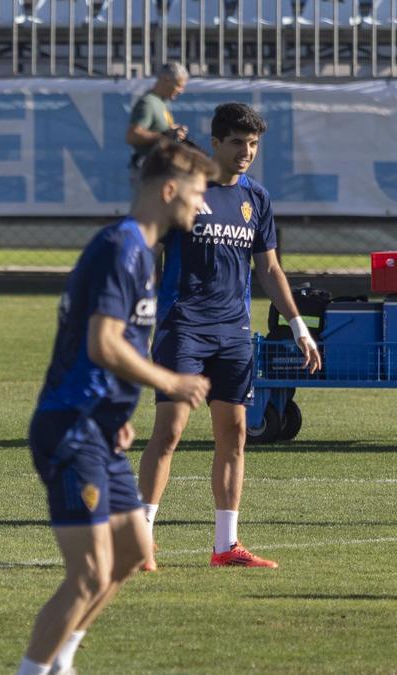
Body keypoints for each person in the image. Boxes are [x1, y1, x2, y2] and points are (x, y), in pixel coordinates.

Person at [17, 142, 216, 675]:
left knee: (130, 552)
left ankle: (62, 660)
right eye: (198, 193)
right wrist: (170, 381)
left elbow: (118, 345)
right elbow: (103, 343)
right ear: (169, 190)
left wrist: (117, 412)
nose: (203, 205)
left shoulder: (143, 251)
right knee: (88, 573)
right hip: (71, 426)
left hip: (98, 426)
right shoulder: (120, 248)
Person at [137, 103, 322, 570]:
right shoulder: (183, 191)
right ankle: (139, 537)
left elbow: (269, 268)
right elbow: (145, 252)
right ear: (216, 142)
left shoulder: (255, 197)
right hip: (184, 327)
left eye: (253, 144)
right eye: (238, 142)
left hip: (234, 332)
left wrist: (298, 324)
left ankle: (226, 546)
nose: (246, 151)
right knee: (169, 431)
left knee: (235, 435)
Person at [126, 64, 189, 184]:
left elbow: (161, 130)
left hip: (158, 170)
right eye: (179, 86)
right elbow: (133, 135)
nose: (181, 91)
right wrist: (165, 136)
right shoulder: (148, 103)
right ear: (166, 79)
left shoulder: (162, 102)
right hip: (148, 172)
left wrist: (174, 131)